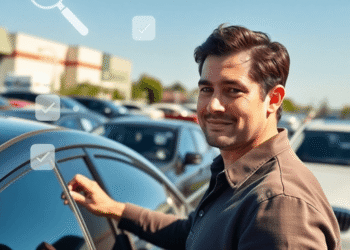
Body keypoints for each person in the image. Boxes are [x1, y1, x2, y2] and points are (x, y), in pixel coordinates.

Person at [62, 24, 341, 249]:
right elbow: (193, 234)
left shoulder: (278, 208)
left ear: (273, 99)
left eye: (233, 90)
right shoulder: (238, 176)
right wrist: (115, 209)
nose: (213, 105)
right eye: (206, 89)